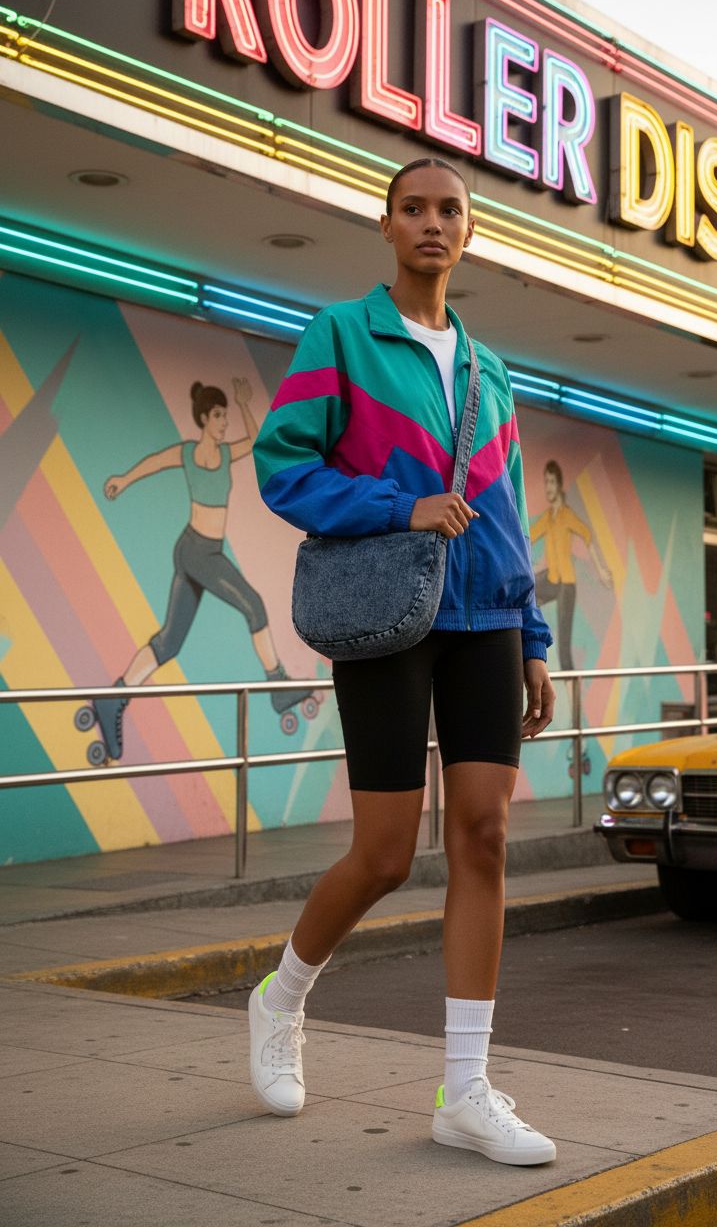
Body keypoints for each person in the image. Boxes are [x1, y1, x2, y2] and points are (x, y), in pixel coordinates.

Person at [250, 158, 557, 1166]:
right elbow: (282, 466)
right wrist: (399, 504)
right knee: (384, 852)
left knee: (484, 835)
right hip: (385, 607)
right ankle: (282, 992)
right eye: (415, 208)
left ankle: (463, 1090)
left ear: (468, 233)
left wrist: (536, 640)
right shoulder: (341, 335)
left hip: (483, 617)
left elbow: (506, 507)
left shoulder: (489, 369)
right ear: (386, 225)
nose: (433, 222)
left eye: (450, 210)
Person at [99, 378, 302, 759]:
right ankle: (278, 686)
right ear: (205, 418)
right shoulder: (188, 453)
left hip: (201, 550)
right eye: (220, 415)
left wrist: (244, 405)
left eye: (226, 415)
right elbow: (154, 463)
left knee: (169, 642)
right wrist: (123, 480)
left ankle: (114, 698)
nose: (225, 422)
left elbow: (258, 443)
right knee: (255, 606)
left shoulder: (226, 454)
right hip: (197, 551)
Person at [532, 458, 613, 671]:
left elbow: (587, 536)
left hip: (566, 585)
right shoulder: (548, 517)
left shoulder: (567, 515)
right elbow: (528, 537)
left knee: (564, 651)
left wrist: (601, 571)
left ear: (558, 485)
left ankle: (574, 700)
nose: (547, 487)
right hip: (552, 579)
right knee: (527, 588)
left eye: (551, 482)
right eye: (545, 482)